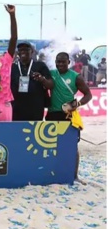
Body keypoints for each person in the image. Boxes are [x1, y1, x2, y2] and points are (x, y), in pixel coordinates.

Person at [47, 52, 92, 182]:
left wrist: (76, 104)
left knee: (72, 146)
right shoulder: (51, 73)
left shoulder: (76, 77)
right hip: (52, 113)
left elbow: (88, 95)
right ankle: (52, 172)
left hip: (68, 114)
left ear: (69, 62)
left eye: (63, 62)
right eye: (58, 61)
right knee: (50, 145)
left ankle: (74, 175)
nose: (60, 64)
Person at [10, 42, 53, 121]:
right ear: (17, 52)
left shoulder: (40, 65)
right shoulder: (13, 67)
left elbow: (50, 85)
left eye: (26, 49)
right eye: (20, 50)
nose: (23, 51)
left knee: (34, 131)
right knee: (17, 131)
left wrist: (42, 79)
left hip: (35, 106)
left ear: (32, 51)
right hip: (17, 106)